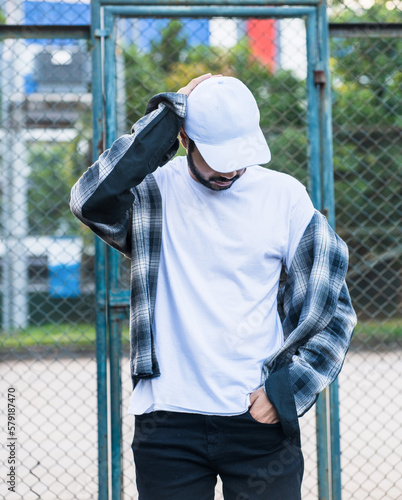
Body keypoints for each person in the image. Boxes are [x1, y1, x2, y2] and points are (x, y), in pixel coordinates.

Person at [70, 73, 356, 500]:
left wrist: (286, 392)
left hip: (257, 419)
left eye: (239, 155)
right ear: (184, 139)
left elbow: (334, 309)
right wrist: (169, 113)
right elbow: (89, 199)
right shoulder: (152, 193)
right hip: (167, 421)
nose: (231, 169)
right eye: (217, 156)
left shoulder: (285, 198)